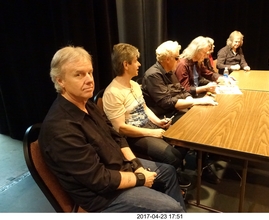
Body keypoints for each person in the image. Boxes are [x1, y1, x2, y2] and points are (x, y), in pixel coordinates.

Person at [38, 46, 186, 212]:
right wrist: (139, 177)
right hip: (104, 196)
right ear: (60, 81)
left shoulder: (87, 104)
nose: (89, 79)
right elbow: (99, 179)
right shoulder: (60, 128)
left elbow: (117, 137)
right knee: (172, 209)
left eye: (90, 72)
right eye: (78, 74)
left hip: (120, 168)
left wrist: (135, 164)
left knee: (169, 172)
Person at [102, 43, 190, 188]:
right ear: (125, 64)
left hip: (147, 127)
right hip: (133, 136)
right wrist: (153, 132)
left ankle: (171, 175)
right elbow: (121, 129)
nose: (139, 64)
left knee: (184, 139)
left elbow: (144, 108)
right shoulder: (112, 93)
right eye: (136, 60)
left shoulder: (135, 85)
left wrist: (159, 122)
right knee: (172, 156)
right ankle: (169, 180)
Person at [142, 40, 220, 184]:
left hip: (173, 111)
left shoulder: (169, 71)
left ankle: (201, 165)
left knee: (201, 122)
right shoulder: (153, 75)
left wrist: (192, 101)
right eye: (177, 57)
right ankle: (176, 168)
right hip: (161, 116)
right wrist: (197, 101)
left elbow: (182, 91)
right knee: (194, 128)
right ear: (167, 59)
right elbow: (166, 102)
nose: (179, 60)